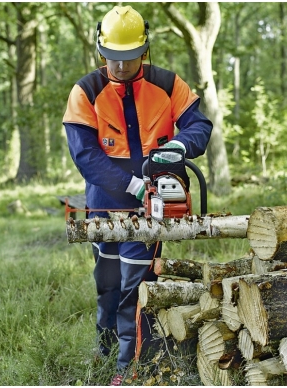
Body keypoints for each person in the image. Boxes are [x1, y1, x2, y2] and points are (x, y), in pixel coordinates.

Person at [62, 5, 213, 386]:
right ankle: (106, 344)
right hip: (104, 202)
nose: (120, 65)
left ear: (143, 51)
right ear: (102, 51)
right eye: (113, 57)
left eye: (128, 58)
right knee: (107, 281)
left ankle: (127, 366)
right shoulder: (85, 92)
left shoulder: (167, 84)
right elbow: (86, 156)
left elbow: (200, 124)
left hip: (155, 205)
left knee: (135, 285)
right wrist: (130, 184)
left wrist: (180, 145)